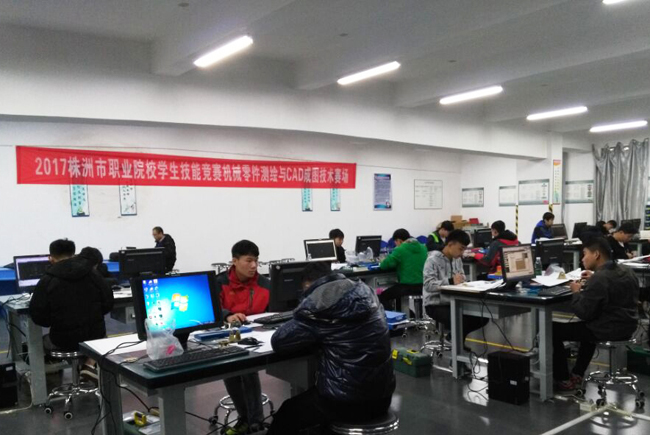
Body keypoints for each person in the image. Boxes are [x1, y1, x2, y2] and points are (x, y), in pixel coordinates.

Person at [267, 262, 395, 434]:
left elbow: (279, 341)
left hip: (345, 402)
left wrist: (300, 313)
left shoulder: (319, 303)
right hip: (382, 397)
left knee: (287, 412)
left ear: (308, 285)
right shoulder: (365, 291)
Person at [552, 237, 638, 391]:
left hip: (607, 329)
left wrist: (576, 292)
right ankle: (577, 373)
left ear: (596, 254)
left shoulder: (600, 278)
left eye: (585, 254)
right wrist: (593, 278)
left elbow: (583, 312)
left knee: (552, 330)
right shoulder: (627, 271)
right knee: (588, 328)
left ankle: (563, 379)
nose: (582, 259)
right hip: (628, 326)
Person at [215, 240, 270, 435]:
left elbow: (277, 309)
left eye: (256, 261)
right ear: (235, 261)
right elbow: (213, 309)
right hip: (228, 336)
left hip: (259, 337)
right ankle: (249, 420)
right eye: (249, 261)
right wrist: (227, 315)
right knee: (232, 365)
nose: (254, 266)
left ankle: (253, 422)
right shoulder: (220, 283)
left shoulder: (265, 284)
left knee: (248, 367)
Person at [29, 239, 114, 351]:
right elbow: (108, 304)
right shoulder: (94, 274)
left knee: (38, 343)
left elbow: (39, 317)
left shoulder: (47, 280)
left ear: (51, 258)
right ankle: (90, 360)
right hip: (96, 337)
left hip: (63, 341)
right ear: (74, 255)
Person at [423, 230, 488, 345]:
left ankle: (453, 339)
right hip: (436, 304)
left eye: (464, 249)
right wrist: (450, 281)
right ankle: (457, 347)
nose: (462, 253)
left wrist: (465, 282)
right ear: (450, 244)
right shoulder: (432, 260)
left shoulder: (457, 259)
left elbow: (461, 277)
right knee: (461, 320)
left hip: (455, 301)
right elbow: (428, 285)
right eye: (460, 249)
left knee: (482, 316)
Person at [378, 228, 428, 311]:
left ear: (399, 241)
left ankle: (393, 317)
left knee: (382, 296)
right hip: (423, 286)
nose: (396, 245)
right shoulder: (423, 248)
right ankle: (408, 314)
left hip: (407, 286)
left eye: (395, 242)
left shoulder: (400, 249)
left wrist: (383, 260)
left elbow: (384, 265)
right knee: (396, 293)